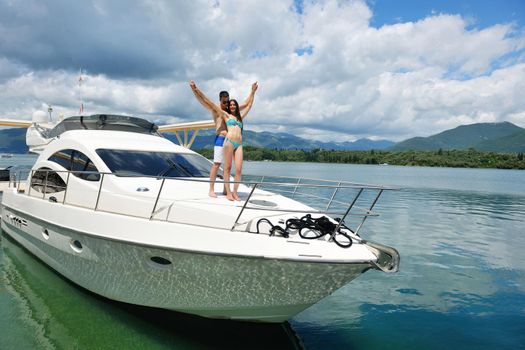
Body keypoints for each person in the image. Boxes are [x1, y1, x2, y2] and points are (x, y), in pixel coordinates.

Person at [189, 80, 257, 200]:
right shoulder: (216, 110)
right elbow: (205, 101)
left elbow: (246, 104)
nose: (226, 104)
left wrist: (252, 91)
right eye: (224, 102)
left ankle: (227, 190)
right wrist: (195, 90)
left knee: (228, 166)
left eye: (228, 101)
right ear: (220, 100)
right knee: (217, 164)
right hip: (221, 138)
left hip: (231, 141)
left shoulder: (230, 110)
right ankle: (211, 189)